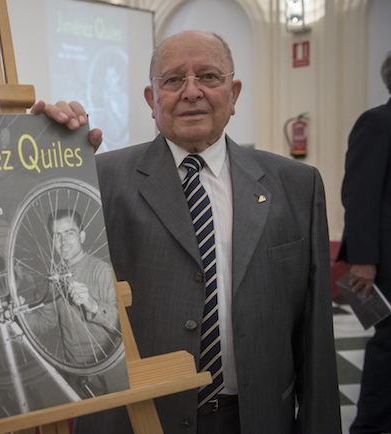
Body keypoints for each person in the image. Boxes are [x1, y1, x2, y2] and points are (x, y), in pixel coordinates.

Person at [33, 30, 340, 434]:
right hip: (136, 420)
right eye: (173, 79)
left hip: (256, 420)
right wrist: (42, 154)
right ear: (151, 99)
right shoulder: (99, 178)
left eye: (209, 77)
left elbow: (314, 338)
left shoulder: (296, 185)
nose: (191, 91)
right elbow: (37, 255)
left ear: (234, 92)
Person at [338, 51, 391, 434]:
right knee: (389, 347)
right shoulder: (377, 122)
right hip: (386, 259)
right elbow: (360, 194)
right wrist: (363, 259)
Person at [21, 209, 124, 396]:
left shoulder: (102, 270)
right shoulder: (53, 276)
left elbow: (123, 326)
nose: (63, 241)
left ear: (82, 236)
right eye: (57, 235)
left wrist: (92, 304)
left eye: (70, 233)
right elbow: (46, 322)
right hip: (75, 372)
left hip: (108, 370)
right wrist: (20, 315)